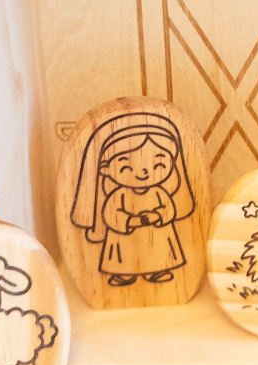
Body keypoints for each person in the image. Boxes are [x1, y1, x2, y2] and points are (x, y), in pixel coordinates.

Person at [69, 111, 195, 287]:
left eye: (157, 164)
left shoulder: (159, 193)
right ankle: (124, 274)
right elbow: (111, 214)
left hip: (156, 234)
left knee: (157, 253)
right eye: (126, 166)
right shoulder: (118, 195)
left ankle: (158, 270)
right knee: (124, 256)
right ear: (105, 169)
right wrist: (129, 220)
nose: (143, 172)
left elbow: (168, 208)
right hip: (125, 237)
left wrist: (158, 216)